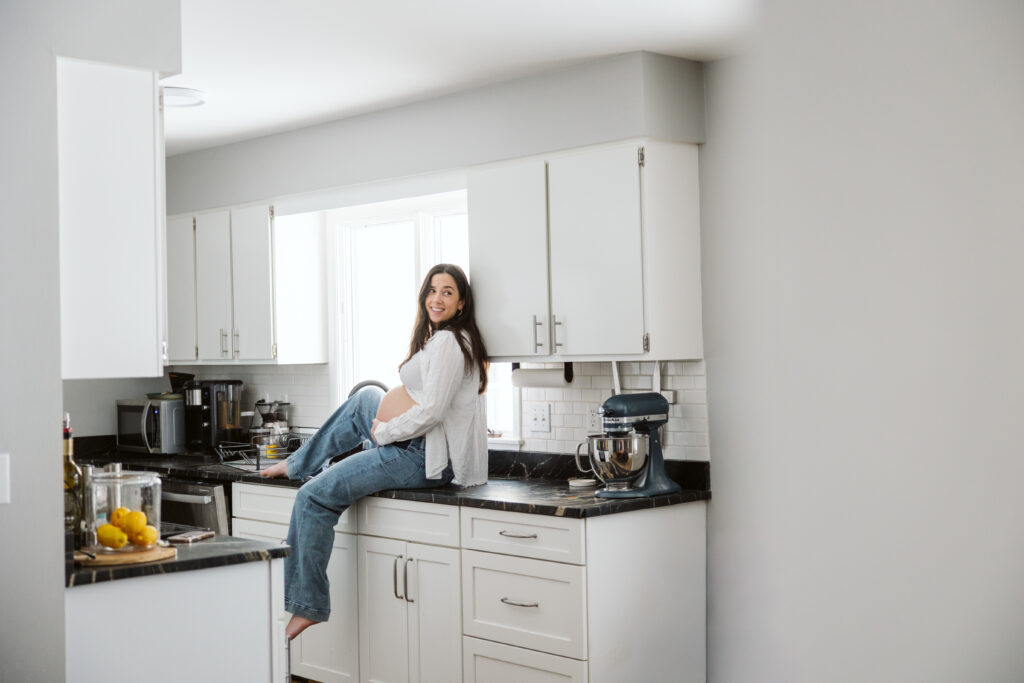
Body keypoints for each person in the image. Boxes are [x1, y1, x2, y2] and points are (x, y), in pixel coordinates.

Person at [259, 263, 489, 639]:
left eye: (447, 292)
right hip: (411, 443)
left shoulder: (450, 342)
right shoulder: (443, 338)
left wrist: (383, 433)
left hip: (420, 456)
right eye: (432, 290)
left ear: (461, 302)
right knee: (367, 397)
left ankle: (308, 605)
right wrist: (385, 424)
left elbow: (431, 411)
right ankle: (298, 462)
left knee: (312, 498)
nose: (436, 298)